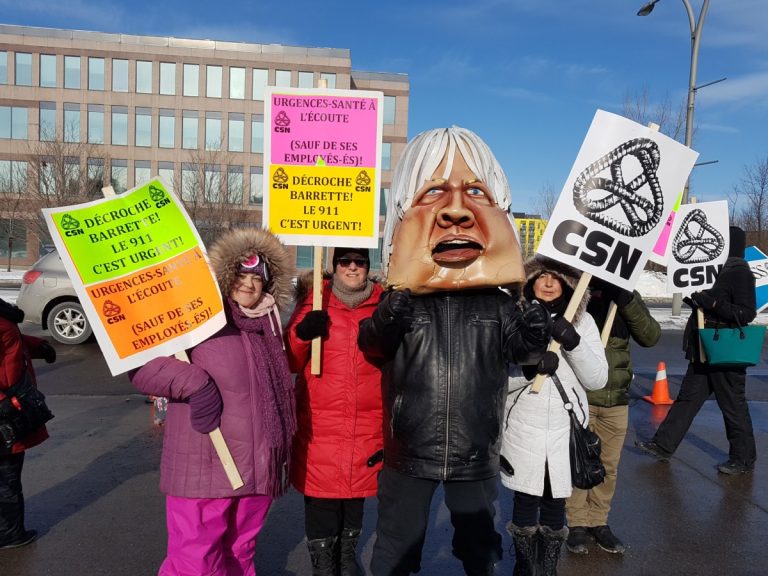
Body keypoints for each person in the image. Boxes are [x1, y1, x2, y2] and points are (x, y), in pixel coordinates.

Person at [358, 126, 552, 576]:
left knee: (481, 551)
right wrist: (389, 315)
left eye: (476, 191)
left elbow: (522, 353)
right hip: (410, 451)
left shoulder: (500, 303)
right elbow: (372, 345)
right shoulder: (400, 301)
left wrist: (536, 328)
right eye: (433, 193)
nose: (457, 212)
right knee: (394, 551)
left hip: (475, 452)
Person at [130, 228, 296, 575]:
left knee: (240, 554)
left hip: (256, 469)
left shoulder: (268, 325)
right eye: (241, 274)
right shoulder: (193, 317)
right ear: (224, 275)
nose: (249, 285)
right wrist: (195, 383)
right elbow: (138, 364)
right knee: (196, 561)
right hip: (205, 465)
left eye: (258, 278)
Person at [501, 257, 608, 576]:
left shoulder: (583, 322)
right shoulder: (513, 318)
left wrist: (572, 342)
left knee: (554, 500)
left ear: (568, 284)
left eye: (556, 278)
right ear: (529, 282)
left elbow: (597, 379)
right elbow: (496, 378)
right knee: (525, 498)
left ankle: (547, 566)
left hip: (565, 428)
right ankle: (523, 563)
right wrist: (527, 371)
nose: (548, 283)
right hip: (523, 426)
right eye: (541, 276)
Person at [285, 246, 384, 576]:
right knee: (322, 500)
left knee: (355, 499)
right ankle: (324, 567)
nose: (353, 268)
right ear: (334, 265)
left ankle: (346, 560)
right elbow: (290, 359)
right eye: (345, 261)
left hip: (366, 423)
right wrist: (301, 335)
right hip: (320, 422)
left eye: (360, 261)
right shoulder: (315, 300)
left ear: (369, 266)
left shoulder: (384, 304)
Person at [637, 226, 758, 475]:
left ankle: (743, 459)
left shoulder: (740, 273)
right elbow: (706, 305)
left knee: (732, 405)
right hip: (704, 348)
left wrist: (712, 303)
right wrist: (695, 299)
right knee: (687, 400)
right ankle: (663, 445)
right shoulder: (712, 270)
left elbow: (746, 313)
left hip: (725, 351)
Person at [565, 280, 660, 555]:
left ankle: (599, 521)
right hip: (581, 396)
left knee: (608, 465)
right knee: (578, 462)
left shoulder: (625, 294)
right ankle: (577, 523)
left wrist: (626, 299)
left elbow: (650, 336)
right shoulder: (576, 290)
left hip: (616, 398)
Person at [0, 298, 56, 550]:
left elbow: (10, 344)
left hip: (11, 403)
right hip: (6, 410)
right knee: (5, 475)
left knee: (7, 473)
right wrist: (3, 402)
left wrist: (38, 347)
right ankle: (8, 535)